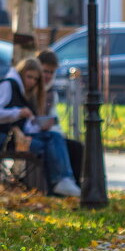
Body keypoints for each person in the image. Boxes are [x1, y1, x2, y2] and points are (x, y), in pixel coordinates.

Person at [0, 57, 81, 197]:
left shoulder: (25, 92)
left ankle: (64, 180)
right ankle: (56, 187)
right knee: (46, 147)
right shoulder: (8, 85)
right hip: (1, 138)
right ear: (22, 73)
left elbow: (26, 126)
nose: (32, 82)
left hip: (18, 137)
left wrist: (39, 126)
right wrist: (18, 112)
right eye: (29, 77)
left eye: (35, 79)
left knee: (55, 137)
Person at [36, 49, 83, 185]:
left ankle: (73, 184)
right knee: (68, 146)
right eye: (45, 71)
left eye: (51, 72)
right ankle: (62, 183)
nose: (48, 76)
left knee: (76, 147)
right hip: (38, 134)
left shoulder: (51, 92)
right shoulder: (33, 89)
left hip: (50, 133)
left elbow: (53, 119)